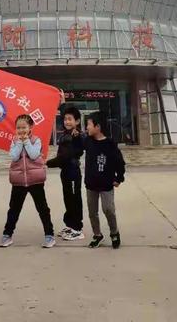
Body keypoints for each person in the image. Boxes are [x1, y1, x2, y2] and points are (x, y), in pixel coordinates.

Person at [0, 114, 55, 249]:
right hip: (19, 181)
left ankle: (49, 235)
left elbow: (34, 154)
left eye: (24, 127)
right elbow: (13, 156)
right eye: (18, 128)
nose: (21, 130)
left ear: (31, 127)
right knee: (14, 209)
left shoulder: (36, 140)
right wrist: (19, 142)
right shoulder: (14, 141)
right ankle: (7, 235)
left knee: (42, 208)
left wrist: (26, 142)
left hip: (35, 180)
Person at [84, 111, 125, 249]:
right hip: (91, 184)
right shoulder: (88, 141)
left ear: (98, 126)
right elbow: (73, 131)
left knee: (108, 209)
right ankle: (97, 235)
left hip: (106, 184)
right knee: (92, 212)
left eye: (89, 124)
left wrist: (119, 178)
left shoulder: (110, 144)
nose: (86, 128)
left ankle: (114, 232)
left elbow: (120, 162)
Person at [47, 106, 85, 241]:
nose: (67, 121)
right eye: (65, 119)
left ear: (78, 121)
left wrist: (47, 163)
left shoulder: (77, 136)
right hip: (65, 172)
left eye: (70, 119)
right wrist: (62, 102)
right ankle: (70, 225)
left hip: (73, 172)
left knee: (75, 199)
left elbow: (65, 156)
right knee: (68, 199)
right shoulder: (66, 134)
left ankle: (77, 228)